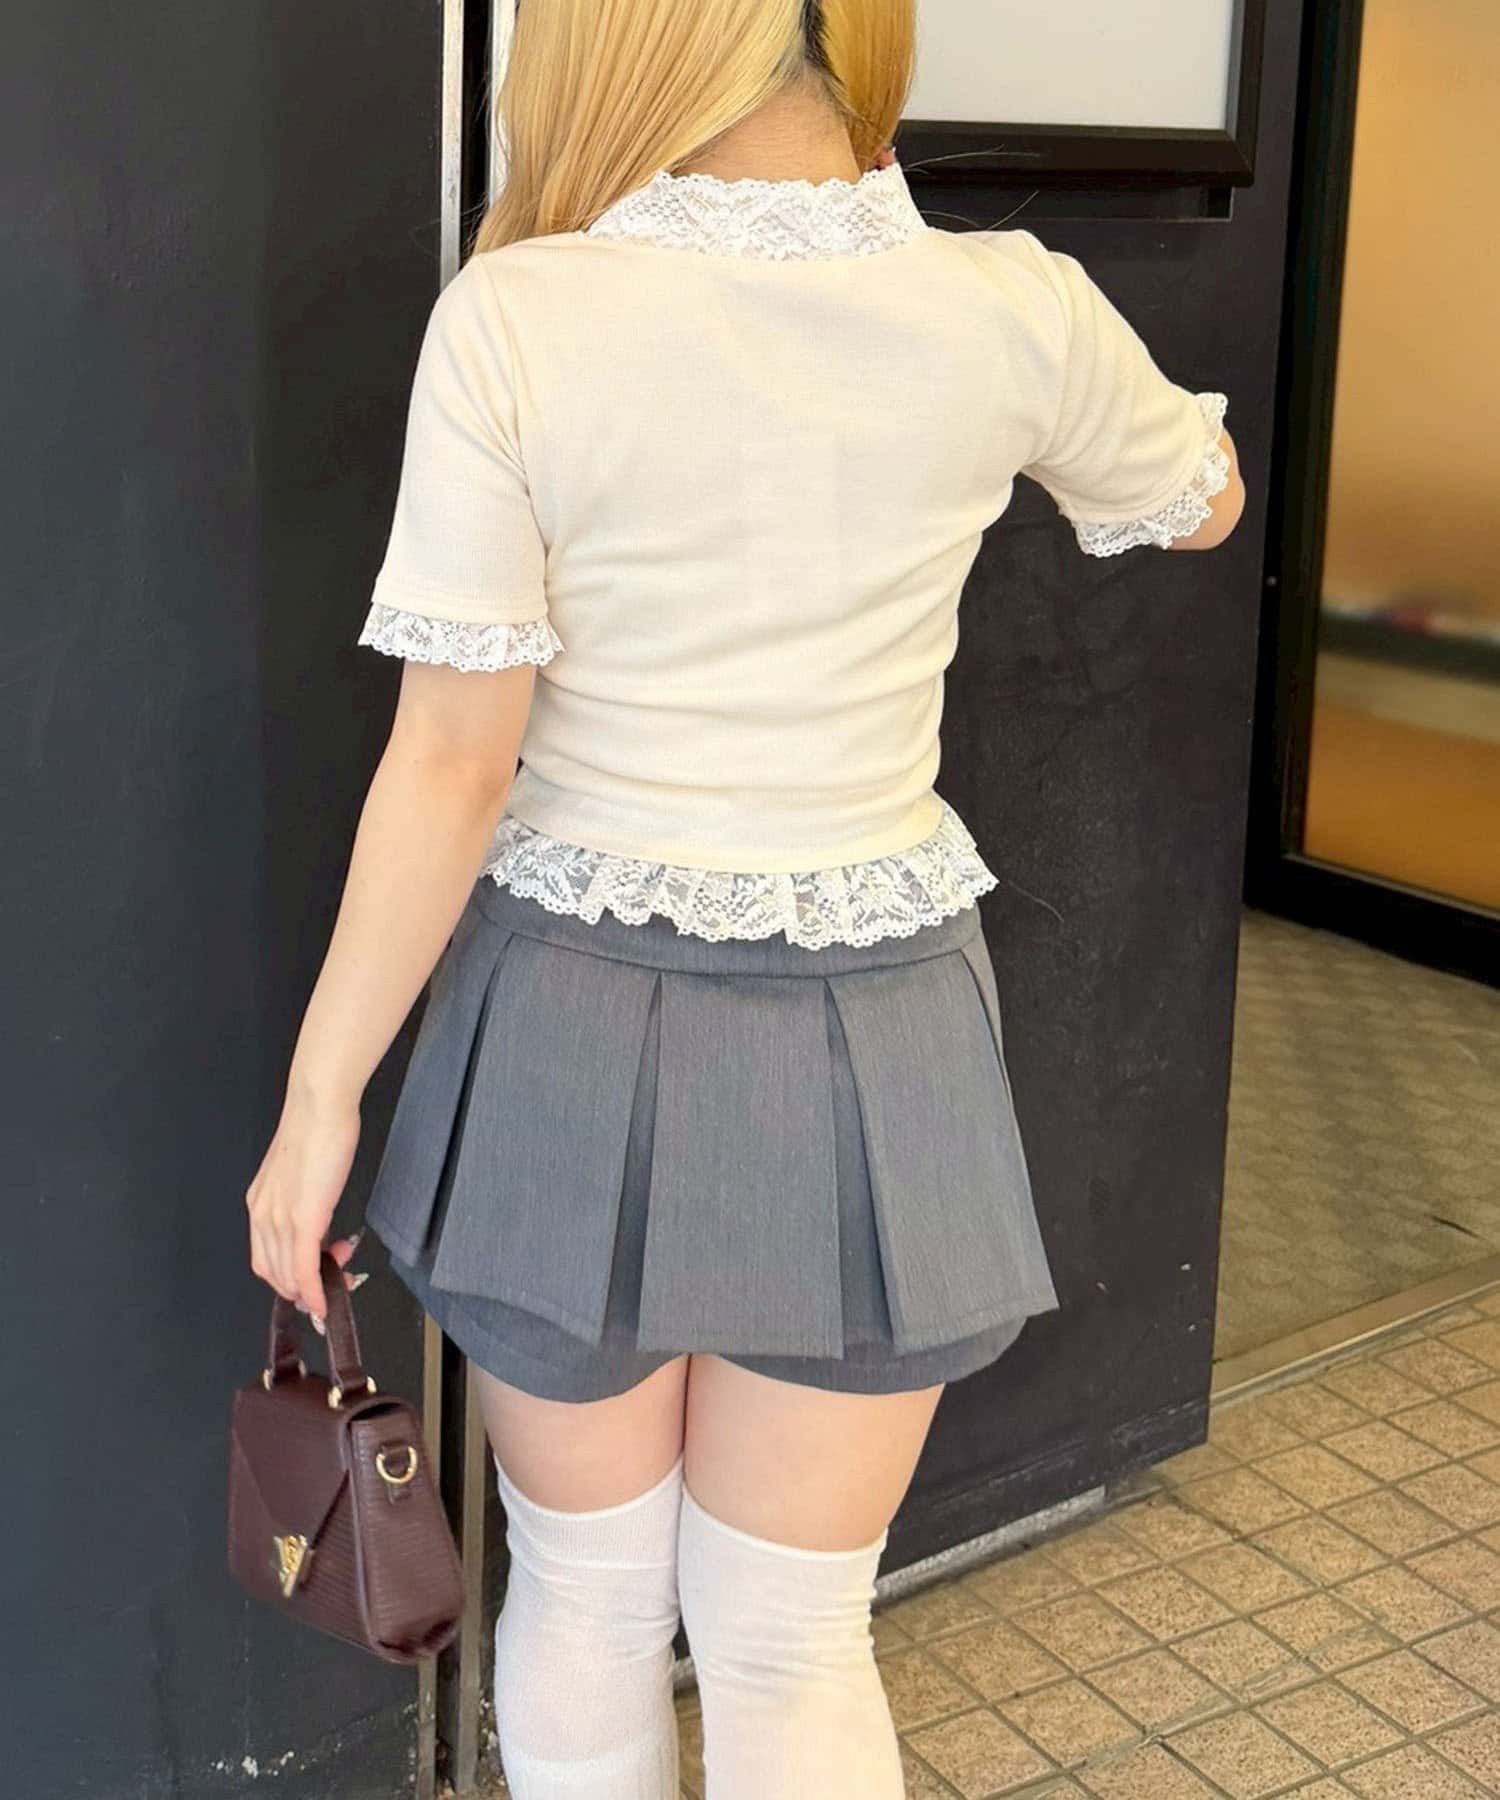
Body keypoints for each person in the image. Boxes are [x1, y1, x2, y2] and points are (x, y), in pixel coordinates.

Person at [244, 1, 1245, 1792]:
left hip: (565, 1022)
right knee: (792, 1638)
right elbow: (1203, 499)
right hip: (881, 1026)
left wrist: (320, 1106)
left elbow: (455, 765)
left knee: (589, 1598)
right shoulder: (1006, 303)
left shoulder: (523, 317)